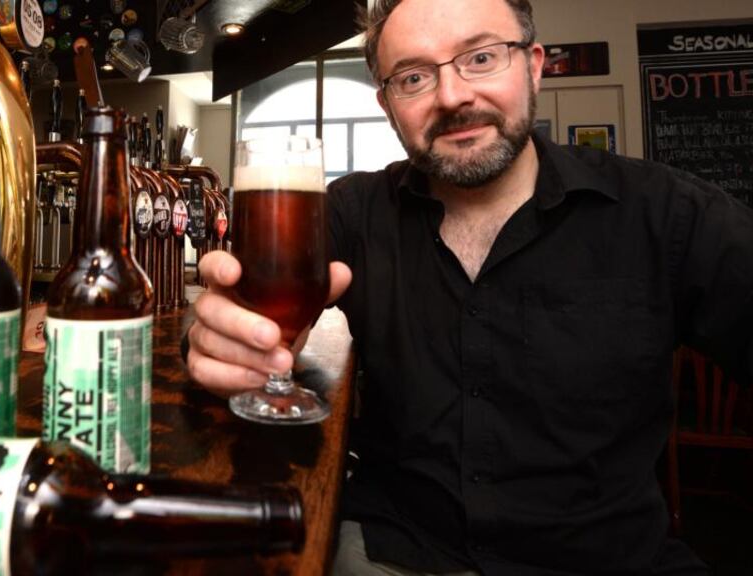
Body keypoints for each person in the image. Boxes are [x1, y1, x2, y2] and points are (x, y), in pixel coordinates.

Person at [185, 0, 753, 574]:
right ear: (387, 105)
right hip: (395, 554)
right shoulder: (350, 211)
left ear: (533, 66)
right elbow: (242, 310)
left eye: (480, 58)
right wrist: (226, 341)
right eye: (413, 77)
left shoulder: (666, 213)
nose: (453, 96)